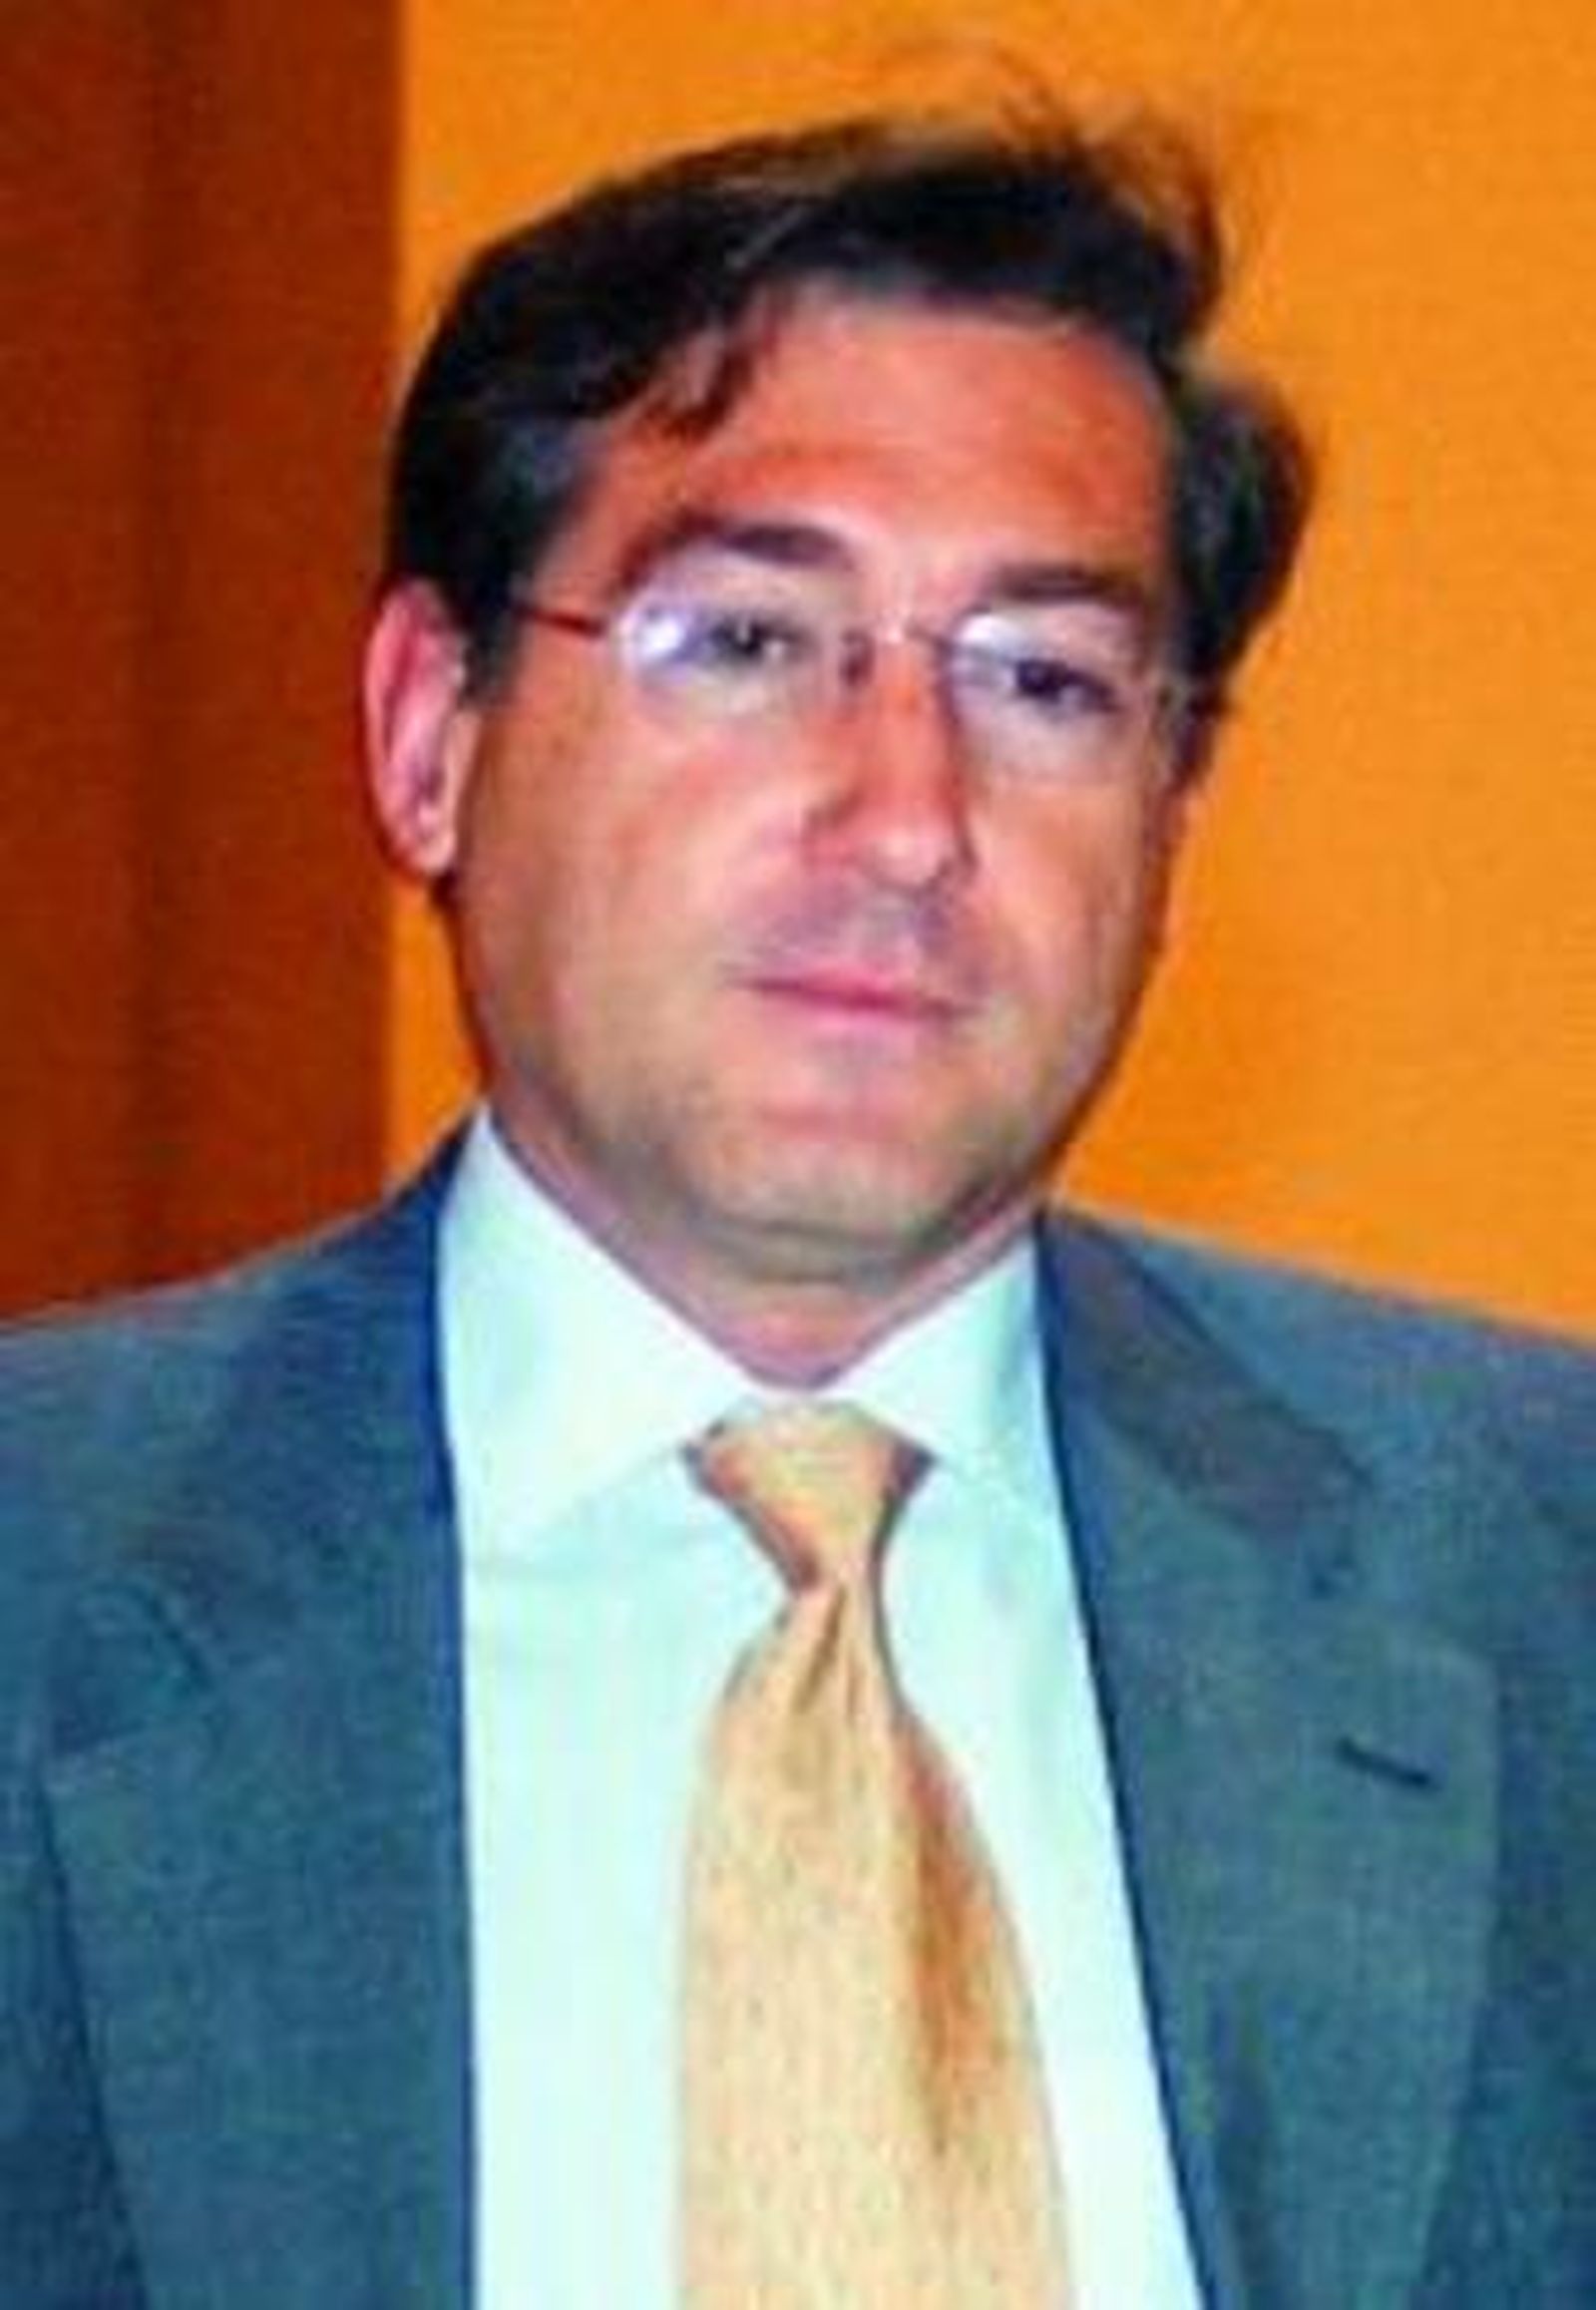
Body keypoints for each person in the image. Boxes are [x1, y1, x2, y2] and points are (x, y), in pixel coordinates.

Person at [2, 103, 1592, 2310]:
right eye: (747, 642)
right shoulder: (48, 1565)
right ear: (428, 730)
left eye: (1043, 682)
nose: (907, 815)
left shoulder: (1537, 1576)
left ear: (1172, 808)